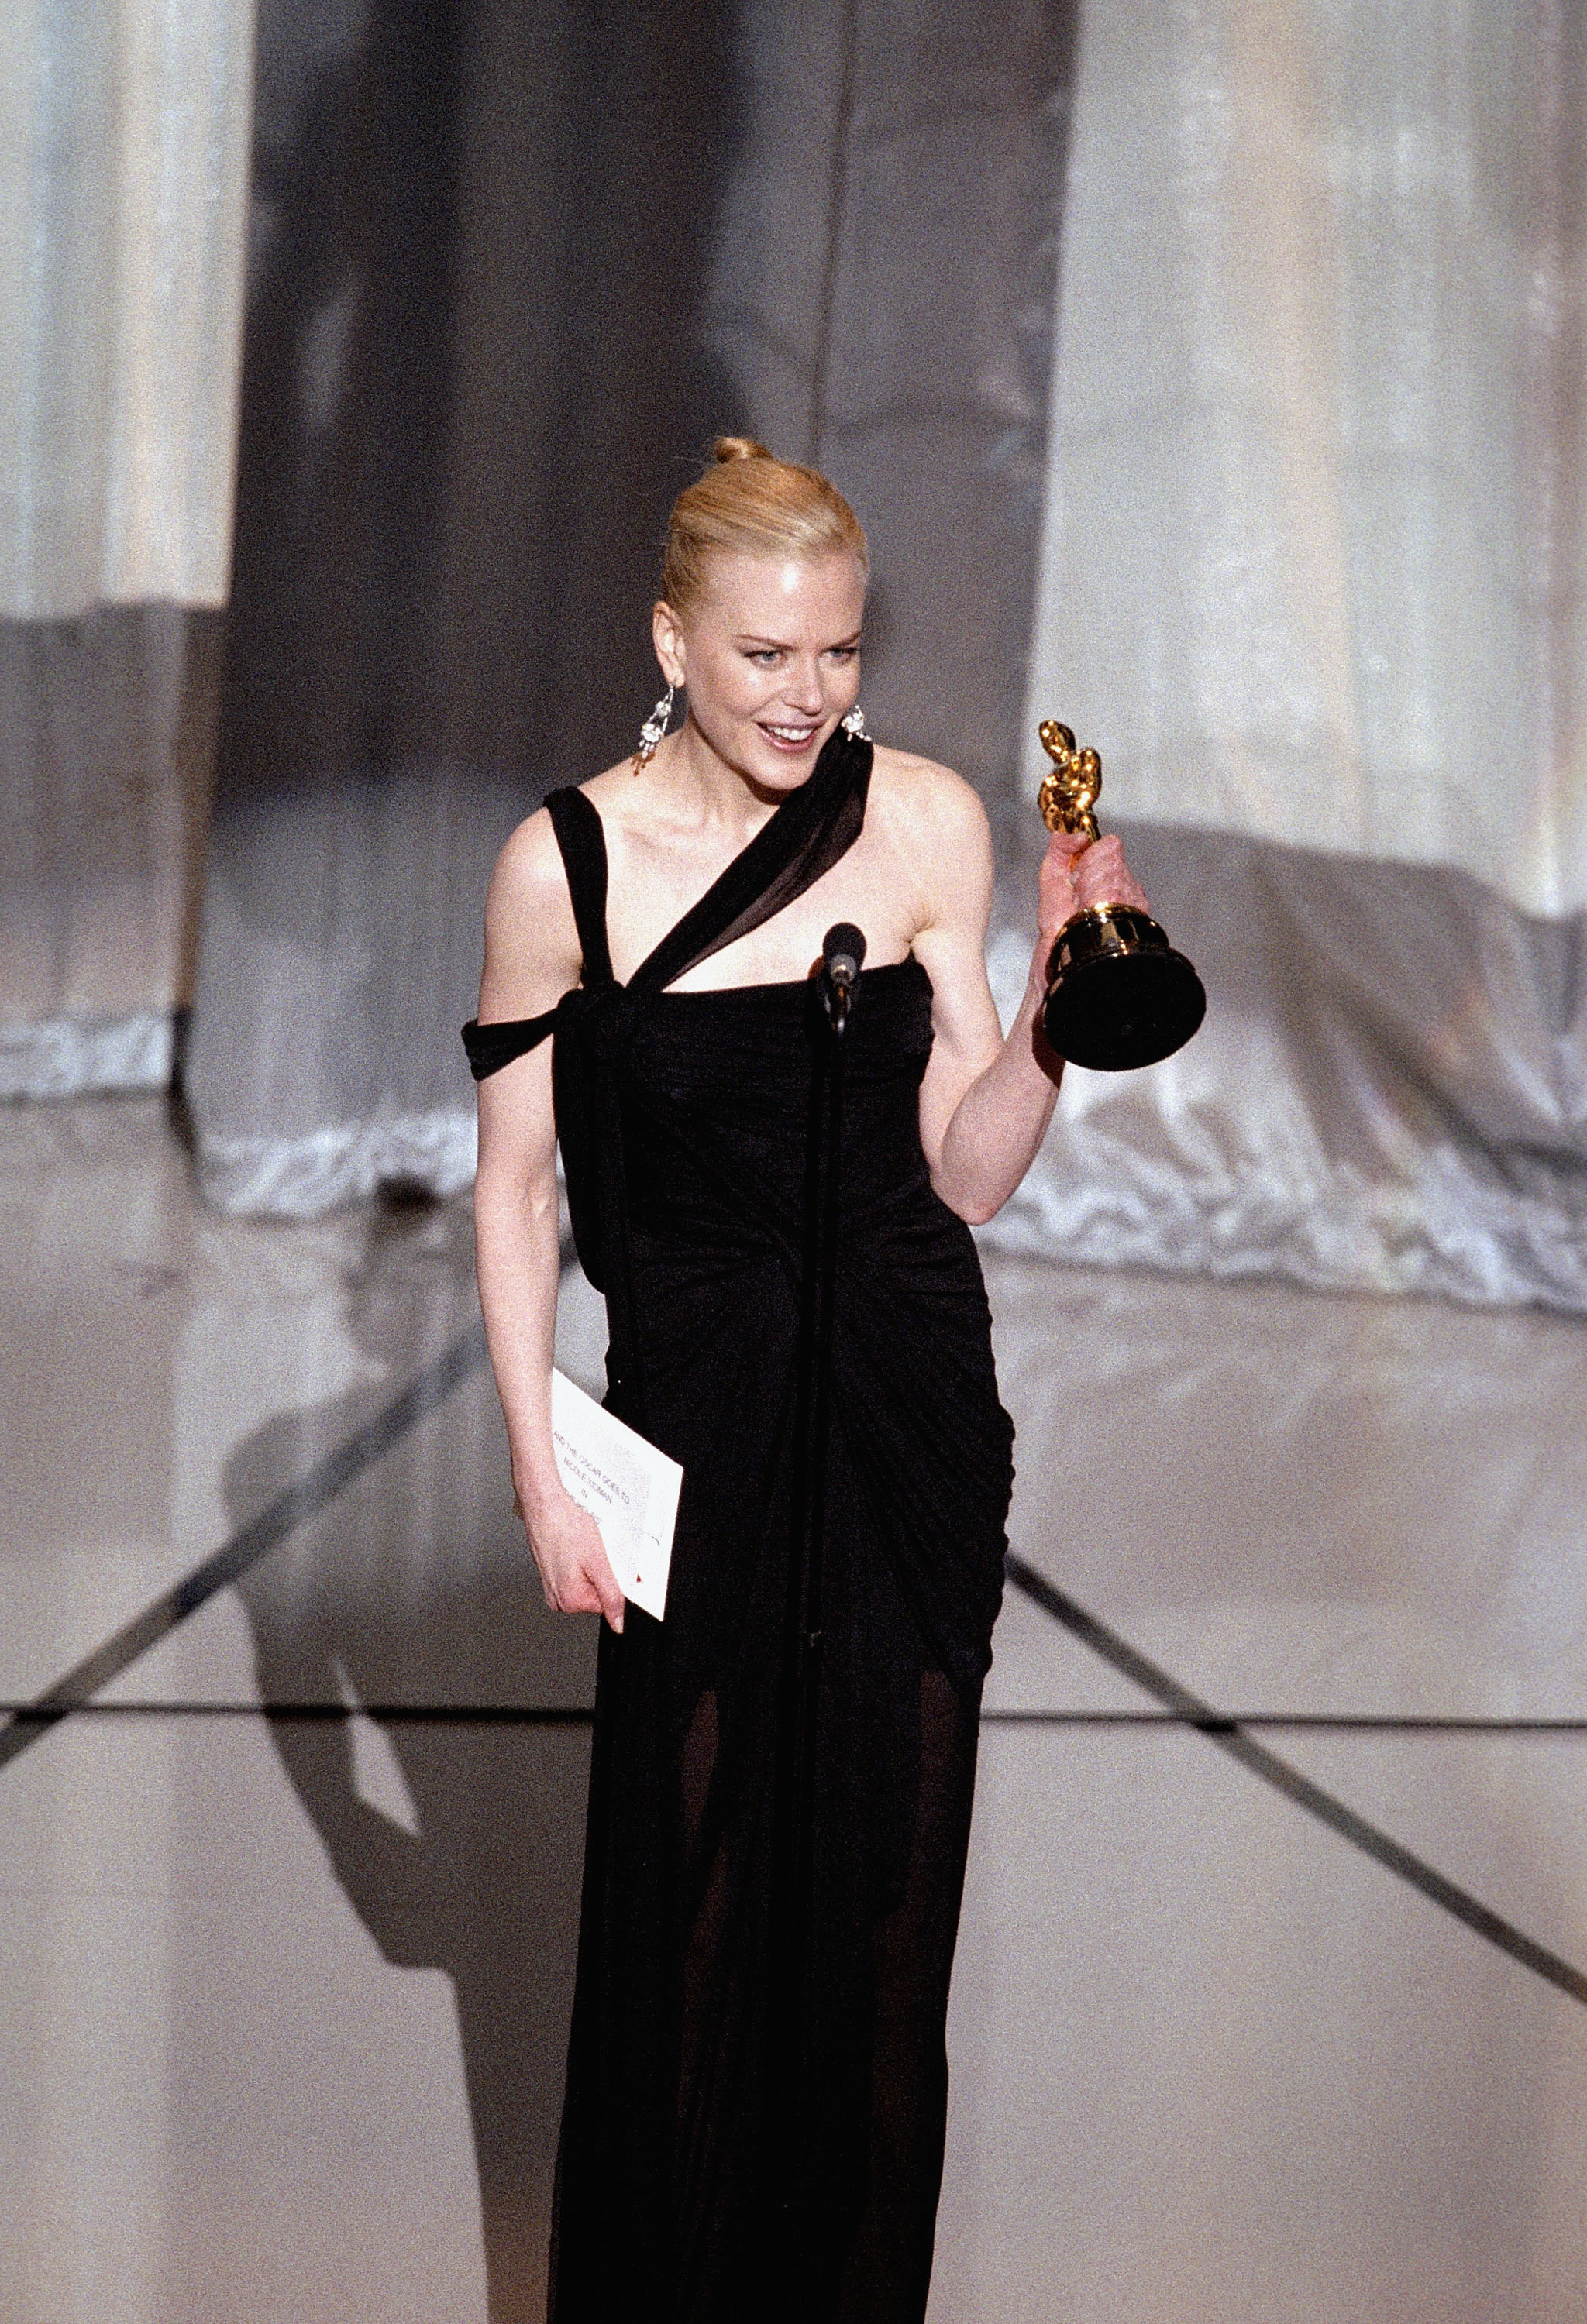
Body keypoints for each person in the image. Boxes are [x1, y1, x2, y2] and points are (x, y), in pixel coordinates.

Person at [465, 438, 1150, 2322]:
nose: (806, 695)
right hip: (695, 1429)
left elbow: (969, 1173)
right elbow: (517, 1192)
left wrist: (1047, 1025)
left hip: (910, 1424)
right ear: (672, 639)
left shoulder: (928, 822)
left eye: (838, 653)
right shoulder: (567, 862)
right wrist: (540, 1474)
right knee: (687, 1907)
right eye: (766, 654)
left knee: (879, 1934)